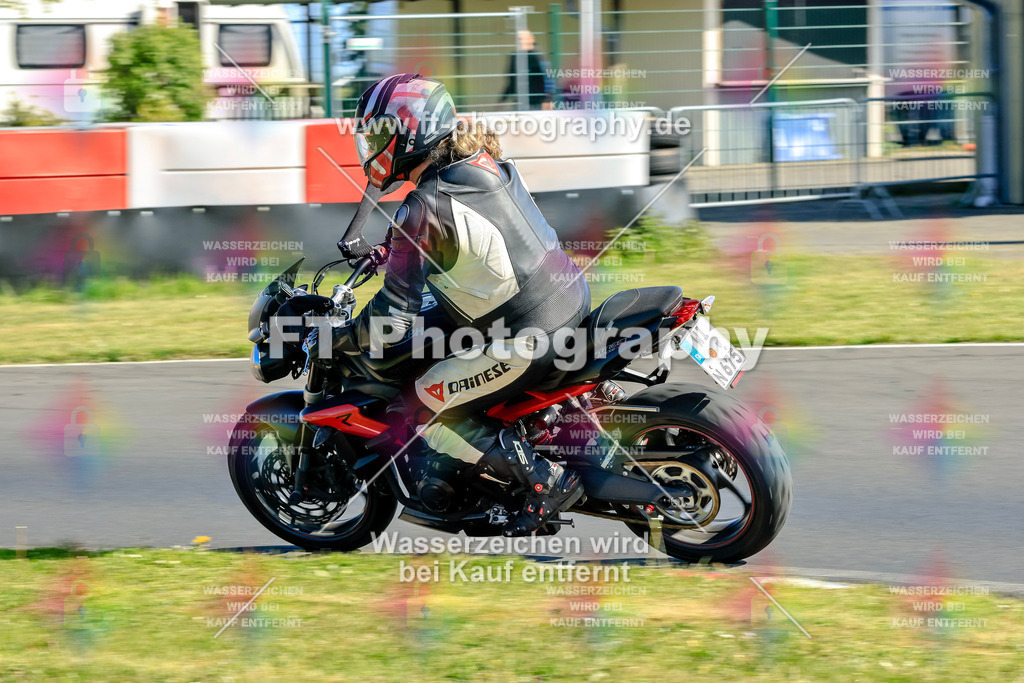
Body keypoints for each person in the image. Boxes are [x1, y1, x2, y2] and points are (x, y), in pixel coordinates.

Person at [333, 73, 588, 536]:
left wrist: (342, 339)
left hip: (527, 332)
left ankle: (541, 481)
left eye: (379, 135)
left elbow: (393, 317)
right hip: (567, 297)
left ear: (409, 133)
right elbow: (479, 239)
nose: (373, 147)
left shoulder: (423, 206)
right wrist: (398, 250)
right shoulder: (482, 161)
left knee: (418, 405)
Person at [501, 30, 555, 110]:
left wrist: (548, 100)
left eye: (522, 39)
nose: (520, 42)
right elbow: (512, 81)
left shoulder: (539, 56)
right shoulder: (514, 57)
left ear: (531, 39)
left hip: (538, 104)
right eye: (518, 39)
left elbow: (549, 80)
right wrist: (502, 100)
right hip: (520, 104)